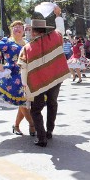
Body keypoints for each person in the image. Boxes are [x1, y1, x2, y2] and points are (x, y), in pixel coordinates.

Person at [18, 9, 70, 147]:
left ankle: (41, 138)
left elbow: (23, 68)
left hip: (38, 83)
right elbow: (61, 29)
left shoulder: (27, 48)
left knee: (36, 109)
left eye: (30, 31)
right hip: (55, 79)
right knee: (52, 103)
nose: (29, 33)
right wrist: (58, 15)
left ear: (34, 32)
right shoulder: (55, 38)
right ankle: (49, 131)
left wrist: (25, 85)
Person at [0, 20, 35, 136]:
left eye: (20, 27)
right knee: (22, 102)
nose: (17, 28)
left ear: (24, 30)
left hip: (26, 74)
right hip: (14, 75)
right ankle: (32, 125)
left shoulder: (27, 43)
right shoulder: (7, 42)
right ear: (11, 29)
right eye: (15, 27)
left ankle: (16, 125)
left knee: (22, 102)